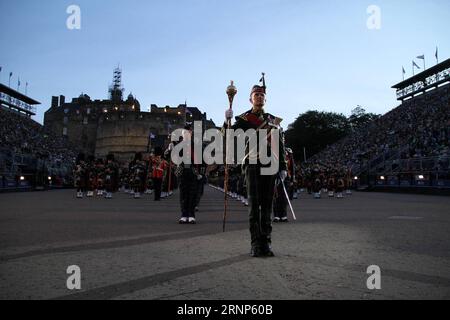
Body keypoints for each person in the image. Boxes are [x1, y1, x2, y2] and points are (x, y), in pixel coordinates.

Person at [224, 78, 287, 257]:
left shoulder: (273, 120)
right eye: (255, 95)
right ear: (250, 99)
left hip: (270, 164)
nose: (259, 97)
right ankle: (255, 244)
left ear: (265, 99)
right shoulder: (243, 119)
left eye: (261, 95)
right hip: (251, 164)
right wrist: (226, 120)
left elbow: (279, 145)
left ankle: (266, 242)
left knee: (267, 205)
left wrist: (283, 166)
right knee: (254, 205)